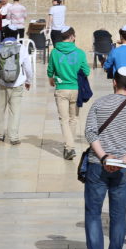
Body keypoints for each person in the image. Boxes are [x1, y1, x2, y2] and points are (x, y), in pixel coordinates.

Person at [73, 67, 126, 249]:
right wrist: (123, 160)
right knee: (118, 214)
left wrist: (105, 156)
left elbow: (90, 133)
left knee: (93, 212)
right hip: (123, 169)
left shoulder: (99, 104)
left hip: (98, 165)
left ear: (114, 82)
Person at [47, 26, 91, 160]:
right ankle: (69, 147)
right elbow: (87, 71)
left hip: (61, 89)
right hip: (76, 89)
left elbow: (50, 71)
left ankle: (69, 147)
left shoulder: (54, 52)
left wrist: (52, 79)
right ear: (72, 36)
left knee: (64, 119)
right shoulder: (80, 53)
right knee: (73, 118)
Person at [0, 31, 34, 145]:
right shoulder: (21, 47)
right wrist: (29, 80)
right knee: (15, 111)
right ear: (15, 36)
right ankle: (13, 137)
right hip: (17, 84)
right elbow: (28, 66)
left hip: (3, 83)